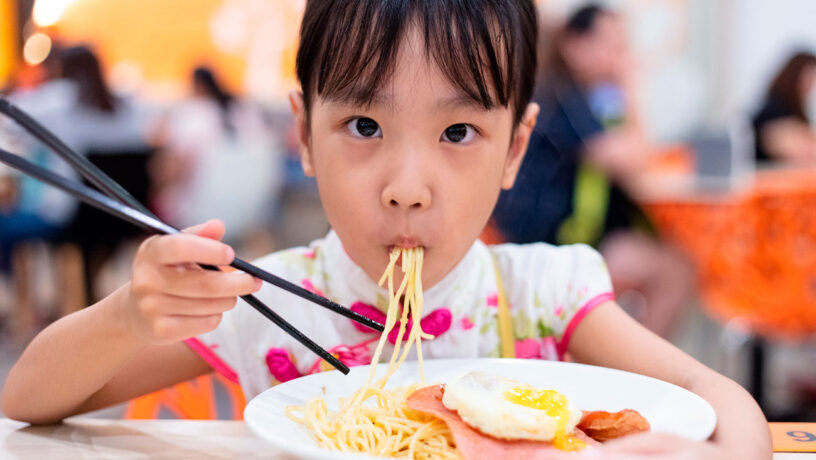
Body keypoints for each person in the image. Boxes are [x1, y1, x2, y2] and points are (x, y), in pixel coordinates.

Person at [1, 1, 770, 459]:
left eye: (459, 132)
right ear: (303, 134)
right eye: (364, 125)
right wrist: (127, 316)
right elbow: (29, 400)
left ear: (517, 149)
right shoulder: (274, 299)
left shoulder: (542, 292)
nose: (406, 188)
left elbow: (715, 393)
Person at [492, 4, 694, 338]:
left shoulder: (582, 97)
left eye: (623, 45)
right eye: (612, 45)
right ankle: (639, 371)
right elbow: (633, 159)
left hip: (569, 237)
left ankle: (626, 362)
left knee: (668, 260)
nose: (620, 55)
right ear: (575, 47)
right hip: (554, 246)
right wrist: (632, 87)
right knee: (675, 271)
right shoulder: (562, 99)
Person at [150, 66, 281, 241]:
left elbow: (173, 166)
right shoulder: (247, 110)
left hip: (194, 213)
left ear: (197, 85)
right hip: (251, 213)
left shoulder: (194, 112)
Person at [752, 51, 816, 163]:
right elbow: (803, 153)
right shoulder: (775, 110)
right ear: (795, 77)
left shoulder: (791, 111)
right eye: (809, 78)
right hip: (763, 177)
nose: (811, 87)